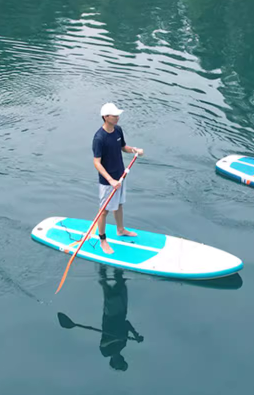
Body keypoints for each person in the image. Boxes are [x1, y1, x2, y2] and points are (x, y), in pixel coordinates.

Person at [93, 102, 144, 254]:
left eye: (118, 115)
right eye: (114, 116)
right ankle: (102, 240)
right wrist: (110, 180)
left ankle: (120, 230)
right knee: (104, 211)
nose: (117, 118)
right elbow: (96, 162)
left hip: (120, 176)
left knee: (119, 205)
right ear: (105, 117)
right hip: (108, 181)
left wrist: (134, 150)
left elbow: (123, 147)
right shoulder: (99, 138)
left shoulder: (118, 130)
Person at [98, 266, 144, 372]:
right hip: (122, 311)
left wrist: (116, 339)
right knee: (121, 283)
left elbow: (102, 344)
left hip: (110, 315)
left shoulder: (106, 352)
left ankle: (101, 265)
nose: (120, 361)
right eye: (122, 362)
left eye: (119, 363)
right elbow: (126, 324)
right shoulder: (123, 344)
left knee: (107, 289)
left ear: (114, 362)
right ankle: (117, 264)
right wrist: (135, 335)